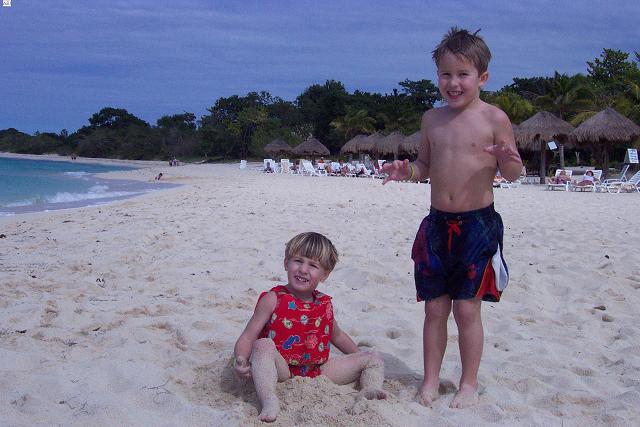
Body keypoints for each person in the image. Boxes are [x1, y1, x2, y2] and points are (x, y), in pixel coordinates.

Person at [381, 27, 523, 409]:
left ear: (482, 77)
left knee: (466, 308)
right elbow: (425, 166)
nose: (453, 83)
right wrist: (406, 172)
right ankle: (430, 380)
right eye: (446, 74)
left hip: (478, 226)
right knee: (434, 308)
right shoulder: (432, 119)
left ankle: (468, 383)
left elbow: (513, 174)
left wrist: (508, 160)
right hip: (436, 224)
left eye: (463, 74)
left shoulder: (495, 118)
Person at [233, 232, 386, 422]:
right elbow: (248, 336)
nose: (303, 269)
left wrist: (357, 357)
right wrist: (241, 359)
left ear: (325, 274)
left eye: (313, 265)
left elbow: (337, 336)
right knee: (262, 345)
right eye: (298, 261)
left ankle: (369, 390)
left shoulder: (324, 304)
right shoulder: (273, 299)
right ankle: (269, 400)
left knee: (373, 358)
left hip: (318, 370)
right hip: (281, 368)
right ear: (286, 263)